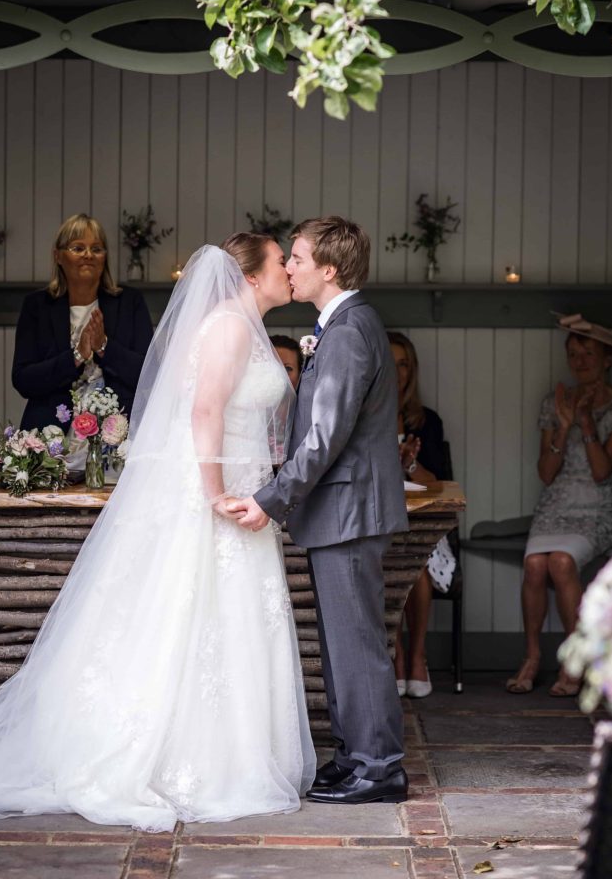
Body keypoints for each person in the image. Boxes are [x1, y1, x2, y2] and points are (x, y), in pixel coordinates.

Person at [0, 235, 315, 830]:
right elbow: (205, 411)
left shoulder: (244, 325)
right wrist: (214, 491)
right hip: (218, 494)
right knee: (192, 617)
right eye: (280, 262)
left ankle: (226, 752)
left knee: (224, 623)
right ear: (250, 274)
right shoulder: (230, 328)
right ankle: (181, 760)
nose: (290, 272)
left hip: (244, 490)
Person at [230, 217, 409, 806]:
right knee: (341, 641)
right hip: (341, 510)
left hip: (350, 509)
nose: (289, 268)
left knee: (356, 642)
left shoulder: (350, 329)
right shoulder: (338, 326)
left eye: (299, 259)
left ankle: (380, 769)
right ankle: (354, 755)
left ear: (329, 269)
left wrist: (271, 499)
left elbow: (326, 435)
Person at [507, 315, 612, 697]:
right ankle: (532, 657)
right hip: (555, 505)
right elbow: (546, 473)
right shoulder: (554, 403)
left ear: (607, 359)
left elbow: (602, 472)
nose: (580, 359)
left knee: (561, 562)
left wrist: (585, 420)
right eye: (573, 353)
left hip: (597, 508)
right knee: (536, 564)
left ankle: (576, 660)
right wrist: (564, 424)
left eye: (589, 352)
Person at [12, 214, 153, 435]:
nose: (88, 255)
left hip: (117, 434)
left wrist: (104, 347)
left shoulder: (129, 302)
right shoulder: (38, 306)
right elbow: (23, 380)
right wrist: (76, 356)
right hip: (50, 435)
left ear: (105, 257)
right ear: (58, 256)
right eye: (78, 248)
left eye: (96, 249)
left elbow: (148, 374)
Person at [388, 332, 453, 699]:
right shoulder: (366, 415)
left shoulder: (426, 421)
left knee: (418, 570)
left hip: (423, 525)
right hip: (380, 522)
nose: (397, 372)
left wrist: (410, 464)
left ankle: (417, 655)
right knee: (389, 564)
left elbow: (441, 484)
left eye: (403, 364)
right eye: (390, 363)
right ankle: (395, 656)